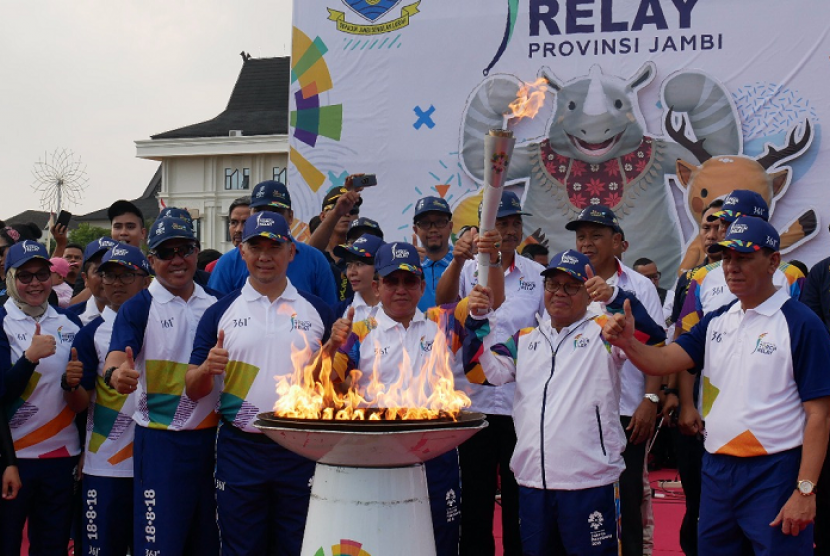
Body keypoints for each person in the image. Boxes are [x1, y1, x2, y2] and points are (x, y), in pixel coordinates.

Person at [603, 216, 830, 556]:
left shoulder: (801, 324)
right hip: (717, 469)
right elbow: (664, 361)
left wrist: (805, 490)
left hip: (774, 472)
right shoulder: (718, 320)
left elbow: (820, 415)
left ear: (772, 261)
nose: (732, 267)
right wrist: (629, 344)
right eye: (727, 259)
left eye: (743, 257)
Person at [464, 250, 665, 556]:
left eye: (571, 286)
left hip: (590, 483)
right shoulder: (525, 339)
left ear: (588, 293)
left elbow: (654, 339)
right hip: (533, 485)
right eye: (553, 285)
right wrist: (479, 321)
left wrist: (613, 298)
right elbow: (481, 372)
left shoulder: (605, 332)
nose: (559, 293)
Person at [330, 236, 504, 556]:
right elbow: (327, 387)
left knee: (440, 542)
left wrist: (490, 261)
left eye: (409, 280)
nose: (401, 289)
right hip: (378, 457)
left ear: (422, 286)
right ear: (379, 285)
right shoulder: (358, 330)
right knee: (381, 541)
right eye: (392, 281)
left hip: (435, 457)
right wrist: (330, 350)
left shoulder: (442, 322)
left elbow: (488, 299)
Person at [187, 211, 335, 555]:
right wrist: (207, 368)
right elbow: (193, 389)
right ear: (242, 251)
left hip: (300, 447)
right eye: (255, 246)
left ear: (291, 252)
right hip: (240, 449)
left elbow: (340, 385)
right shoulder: (219, 311)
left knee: (298, 546)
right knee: (242, 548)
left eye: (274, 246)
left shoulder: (318, 311)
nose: (264, 256)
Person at [435, 189, 545, 556]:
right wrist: (458, 260)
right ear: (486, 227)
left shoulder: (538, 275)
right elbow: (444, 304)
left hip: (519, 403)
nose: (510, 230)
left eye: (515, 223)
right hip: (475, 400)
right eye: (502, 223)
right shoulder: (468, 269)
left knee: (519, 497)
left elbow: (547, 330)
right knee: (476, 498)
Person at [105, 217, 221, 555]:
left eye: (183, 249)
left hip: (213, 440)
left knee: (208, 543)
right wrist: (117, 375)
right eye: (165, 253)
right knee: (159, 545)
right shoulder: (138, 307)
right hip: (161, 442)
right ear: (151, 260)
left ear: (196, 252)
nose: (176, 260)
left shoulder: (218, 303)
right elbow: (115, 357)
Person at [566, 204, 665, 556]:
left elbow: (657, 342)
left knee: (627, 503)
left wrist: (650, 401)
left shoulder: (637, 286)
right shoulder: (569, 283)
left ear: (618, 241)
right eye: (581, 236)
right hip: (580, 410)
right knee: (582, 501)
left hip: (627, 411)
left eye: (596, 235)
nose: (586, 243)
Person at [0, 240, 84, 555]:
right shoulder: (2, 321)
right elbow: (3, 393)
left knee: (52, 546)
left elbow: (81, 396)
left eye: (41, 274)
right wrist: (28, 359)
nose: (35, 283)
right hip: (14, 460)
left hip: (61, 456)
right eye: (25, 276)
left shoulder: (69, 324)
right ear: (10, 278)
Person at [68, 244, 152, 556]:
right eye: (110, 275)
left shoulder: (162, 322)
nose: (116, 283)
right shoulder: (91, 333)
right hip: (105, 464)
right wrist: (70, 382)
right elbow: (78, 404)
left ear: (145, 280)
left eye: (126, 276)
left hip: (153, 462)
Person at [208, 180, 338, 304]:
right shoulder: (227, 264)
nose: (268, 217)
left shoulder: (315, 260)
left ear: (291, 216)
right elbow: (215, 317)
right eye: (260, 211)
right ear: (251, 214)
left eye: (275, 211)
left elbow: (329, 316)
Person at [411, 195, 454, 311]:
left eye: (440, 222)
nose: (433, 229)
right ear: (416, 230)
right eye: (425, 223)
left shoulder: (465, 262)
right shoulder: (409, 267)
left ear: (450, 227)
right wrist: (409, 268)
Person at [67, 237, 120, 325]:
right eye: (99, 272)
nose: (106, 278)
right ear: (85, 279)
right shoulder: (69, 319)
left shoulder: (142, 315)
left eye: (111, 272)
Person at [332, 233, 385, 321]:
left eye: (359, 264)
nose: (351, 273)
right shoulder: (337, 312)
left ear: (380, 267)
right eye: (348, 265)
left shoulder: (401, 308)